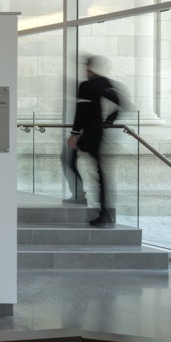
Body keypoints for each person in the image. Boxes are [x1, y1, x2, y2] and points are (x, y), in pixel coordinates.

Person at [67, 54, 125, 226]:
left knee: (69, 160)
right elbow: (121, 104)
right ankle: (103, 210)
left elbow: (81, 111)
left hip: (88, 134)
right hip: (98, 133)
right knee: (99, 173)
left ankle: (83, 197)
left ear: (89, 68)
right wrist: (107, 122)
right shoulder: (105, 83)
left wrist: (74, 134)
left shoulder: (86, 85)